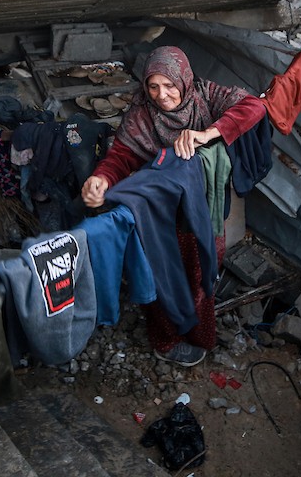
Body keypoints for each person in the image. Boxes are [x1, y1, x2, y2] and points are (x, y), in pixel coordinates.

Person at [81, 45, 266, 366]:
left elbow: (254, 107)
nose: (161, 95)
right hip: (161, 216)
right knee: (162, 280)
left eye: (169, 85)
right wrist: (101, 179)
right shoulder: (141, 116)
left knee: (202, 274)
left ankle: (197, 333)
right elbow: (121, 157)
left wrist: (207, 134)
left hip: (205, 209)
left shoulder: (207, 96)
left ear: (184, 80)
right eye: (153, 86)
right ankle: (165, 341)